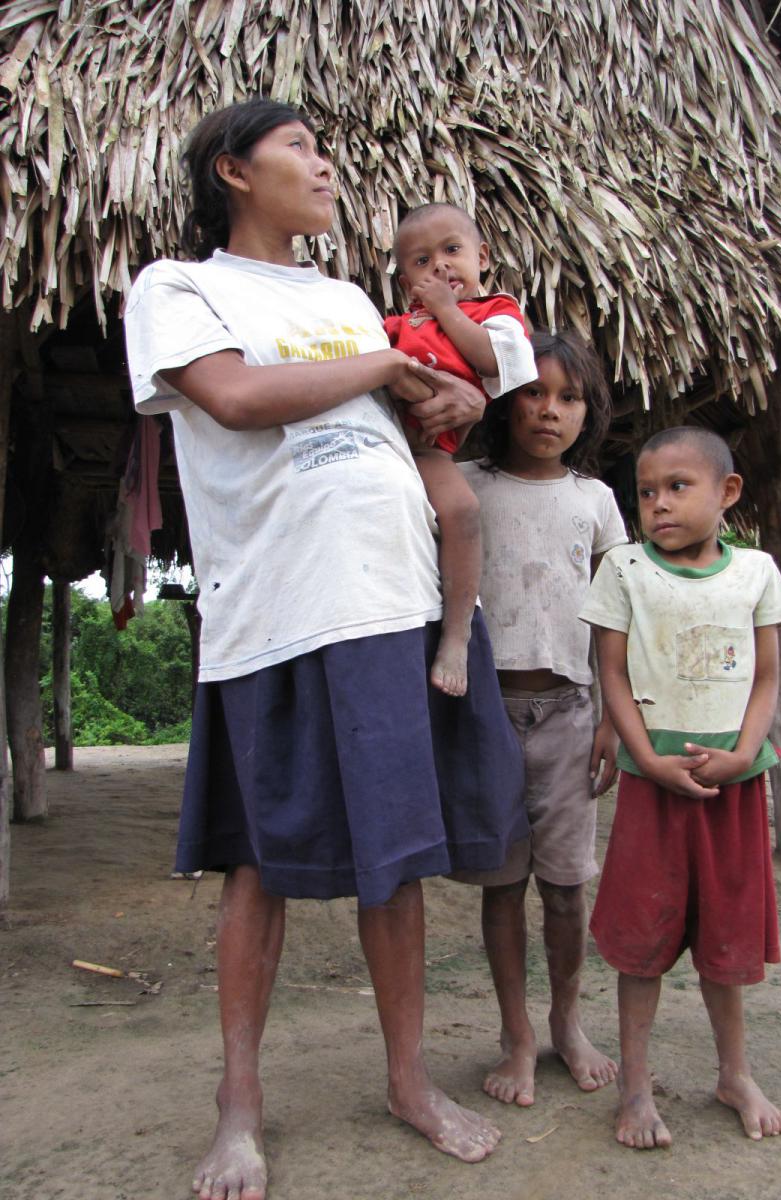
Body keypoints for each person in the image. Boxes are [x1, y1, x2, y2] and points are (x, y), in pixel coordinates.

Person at [124, 99, 529, 1200]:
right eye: (298, 146)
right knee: (258, 864)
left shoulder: (350, 298)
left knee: (393, 860)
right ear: (232, 169)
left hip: (393, 599)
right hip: (280, 611)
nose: (324, 163)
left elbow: (404, 420)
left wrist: (438, 392)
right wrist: (385, 372)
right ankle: (238, 1108)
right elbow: (239, 397)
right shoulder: (178, 287)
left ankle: (408, 1081)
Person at [580, 426, 781, 1149]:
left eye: (678, 487)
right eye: (646, 493)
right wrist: (645, 756)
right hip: (652, 784)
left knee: (727, 939)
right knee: (641, 941)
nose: (659, 505)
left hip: (732, 787)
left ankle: (733, 1073)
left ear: (727, 492)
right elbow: (612, 673)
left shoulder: (759, 572)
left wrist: (745, 753)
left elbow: (767, 676)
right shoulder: (624, 569)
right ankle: (636, 1089)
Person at [454, 330, 627, 1107]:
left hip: (571, 711)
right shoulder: (463, 485)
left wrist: (615, 721)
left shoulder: (595, 501)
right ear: (504, 398)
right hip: (485, 712)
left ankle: (566, 1020)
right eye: (534, 392)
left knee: (564, 887)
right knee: (501, 885)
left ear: (588, 412)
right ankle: (515, 1033)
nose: (549, 411)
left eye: (568, 398)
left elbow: (616, 623)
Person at [384, 203, 537, 697]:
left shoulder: (498, 312)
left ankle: (457, 632)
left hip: (429, 451)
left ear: (482, 257)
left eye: (452, 251)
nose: (441, 267)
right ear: (406, 278)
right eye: (422, 261)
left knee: (463, 512)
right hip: (383, 444)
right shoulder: (399, 323)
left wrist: (447, 310)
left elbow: (498, 361)